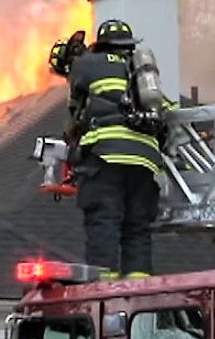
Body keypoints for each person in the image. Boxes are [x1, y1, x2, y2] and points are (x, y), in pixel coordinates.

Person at [65, 19, 177, 280]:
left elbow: (75, 108)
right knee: (137, 227)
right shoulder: (141, 75)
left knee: (104, 221)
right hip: (145, 162)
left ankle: (104, 289)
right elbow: (170, 112)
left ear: (101, 45)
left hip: (106, 156)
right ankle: (139, 285)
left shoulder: (88, 64)